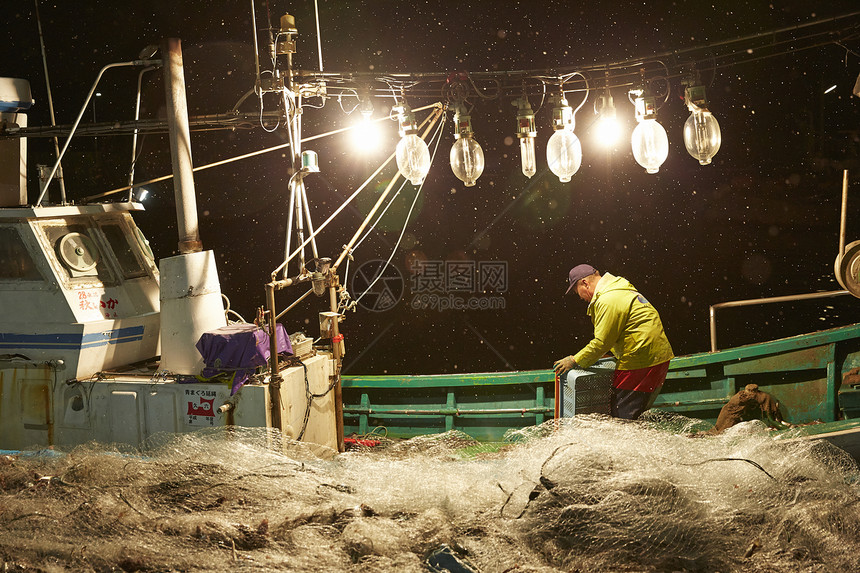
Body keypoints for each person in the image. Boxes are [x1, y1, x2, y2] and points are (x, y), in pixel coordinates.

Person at [553, 264, 673, 420]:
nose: (581, 298)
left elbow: (602, 342)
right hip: (659, 357)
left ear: (585, 283)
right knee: (637, 413)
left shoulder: (607, 299)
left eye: (578, 293)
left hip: (640, 360)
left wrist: (574, 359)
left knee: (622, 417)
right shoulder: (620, 288)